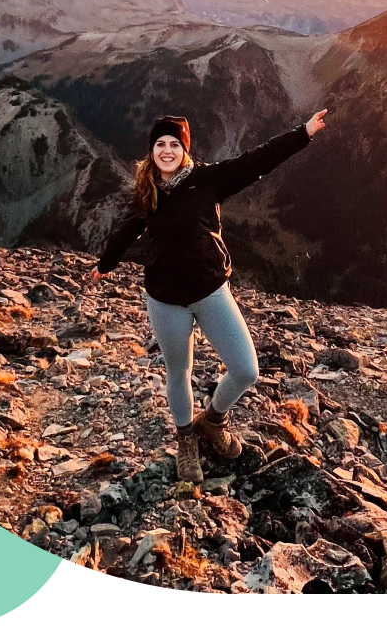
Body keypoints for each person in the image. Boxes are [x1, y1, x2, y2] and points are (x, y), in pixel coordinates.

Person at [89, 109, 328, 483]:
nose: (167, 151)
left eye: (174, 144)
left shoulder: (209, 179)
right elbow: (128, 230)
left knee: (246, 369)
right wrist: (106, 263)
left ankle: (212, 421)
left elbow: (256, 161)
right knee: (178, 372)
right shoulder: (147, 190)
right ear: (151, 151)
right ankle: (186, 439)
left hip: (212, 292)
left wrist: (304, 133)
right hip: (165, 299)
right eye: (160, 145)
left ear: (185, 149)